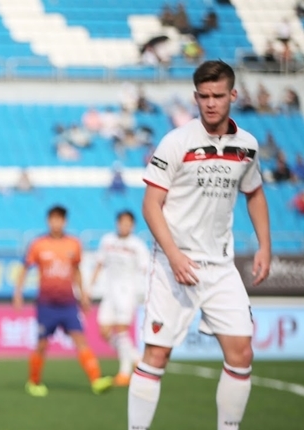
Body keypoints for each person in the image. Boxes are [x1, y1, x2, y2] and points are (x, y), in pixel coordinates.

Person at [130, 60, 271, 430]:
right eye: (204, 96)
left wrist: (264, 246)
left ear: (233, 95)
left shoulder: (248, 147)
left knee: (242, 353)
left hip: (221, 267)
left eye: (218, 96)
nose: (211, 103)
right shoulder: (177, 142)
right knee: (156, 355)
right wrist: (174, 256)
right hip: (174, 266)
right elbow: (150, 205)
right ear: (195, 97)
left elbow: (254, 193)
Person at [13, 206, 114, 397]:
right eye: (52, 219)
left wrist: (83, 294)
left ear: (64, 222)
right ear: (48, 221)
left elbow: (76, 271)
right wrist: (18, 293)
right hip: (46, 304)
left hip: (68, 303)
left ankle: (96, 380)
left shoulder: (74, 244)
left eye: (59, 219)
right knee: (42, 344)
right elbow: (25, 268)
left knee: (81, 340)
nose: (56, 223)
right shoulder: (38, 244)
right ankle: (33, 382)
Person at [90, 210, 150, 387]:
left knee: (122, 331)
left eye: (128, 223)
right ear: (117, 223)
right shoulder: (108, 241)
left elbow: (146, 269)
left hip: (127, 292)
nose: (125, 226)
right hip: (109, 292)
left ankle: (125, 373)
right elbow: (99, 264)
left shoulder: (137, 245)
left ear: (132, 225)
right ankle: (136, 358)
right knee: (104, 331)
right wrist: (89, 288)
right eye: (122, 222)